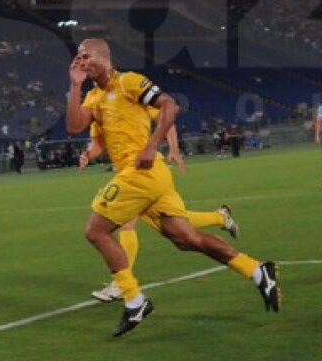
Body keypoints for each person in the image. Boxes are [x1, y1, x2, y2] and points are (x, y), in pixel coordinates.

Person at [66, 38, 280, 337]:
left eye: (86, 56)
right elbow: (76, 127)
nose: (81, 61)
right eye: (78, 57)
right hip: (146, 177)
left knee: (95, 231)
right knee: (185, 238)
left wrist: (154, 146)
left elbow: (170, 105)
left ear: (104, 57)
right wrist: (75, 88)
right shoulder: (93, 98)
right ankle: (257, 270)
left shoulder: (129, 82)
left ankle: (134, 300)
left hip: (141, 172)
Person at [80, 113, 239, 303]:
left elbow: (166, 118)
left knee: (128, 225)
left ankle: (122, 285)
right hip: (129, 175)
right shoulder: (101, 111)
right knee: (174, 220)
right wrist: (89, 154)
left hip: (148, 172)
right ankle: (221, 217)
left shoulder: (132, 96)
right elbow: (99, 143)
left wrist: (174, 149)